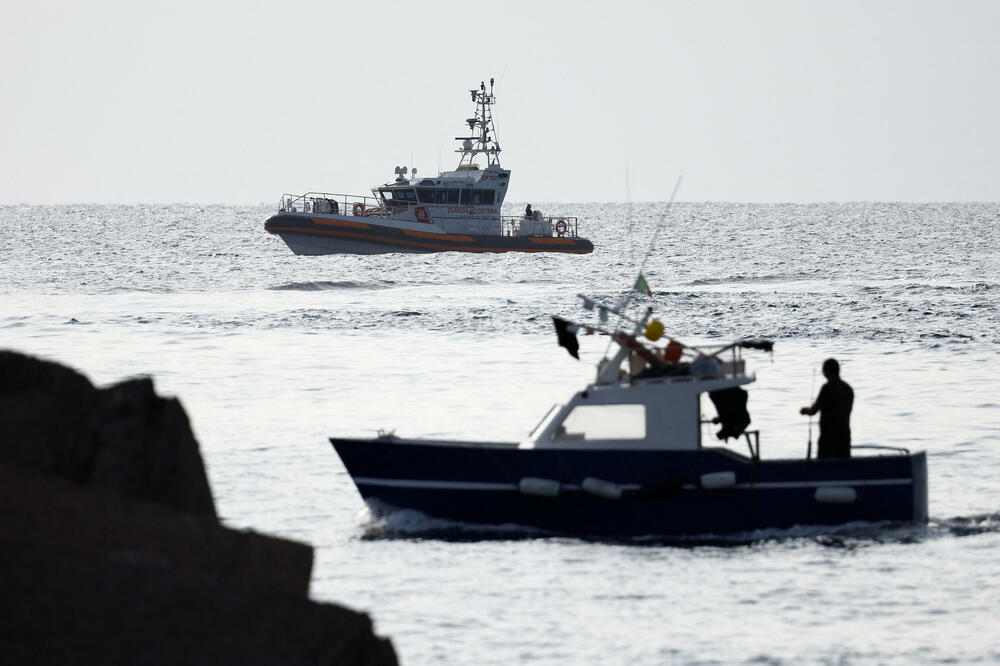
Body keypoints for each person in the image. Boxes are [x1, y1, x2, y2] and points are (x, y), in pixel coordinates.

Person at [800, 358, 854, 458]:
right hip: (844, 435)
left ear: (828, 371)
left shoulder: (827, 388)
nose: (822, 372)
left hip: (828, 437)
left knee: (824, 467)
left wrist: (804, 410)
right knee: (844, 467)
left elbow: (813, 411)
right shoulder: (848, 389)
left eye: (823, 370)